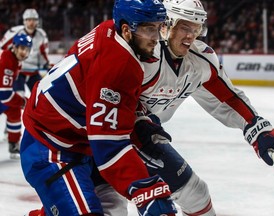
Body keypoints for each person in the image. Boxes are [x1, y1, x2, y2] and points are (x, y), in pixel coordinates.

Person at [89, 0, 274, 215]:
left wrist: (255, 126)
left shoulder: (200, 61)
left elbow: (228, 98)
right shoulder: (141, 55)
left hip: (142, 136)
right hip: (108, 135)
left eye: (196, 28)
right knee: (113, 203)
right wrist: (140, 121)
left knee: (194, 195)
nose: (191, 35)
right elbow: (109, 96)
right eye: (185, 27)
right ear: (166, 25)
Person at [20, 0, 177, 216]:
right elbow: (108, 145)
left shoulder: (108, 29)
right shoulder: (118, 64)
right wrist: (145, 189)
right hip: (50, 148)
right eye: (149, 28)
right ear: (126, 29)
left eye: (159, 27)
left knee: (114, 211)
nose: (156, 37)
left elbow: (102, 100)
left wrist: (138, 118)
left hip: (77, 140)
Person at [0, 8, 51, 97]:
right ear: (24, 21)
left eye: (34, 20)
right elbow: (2, 48)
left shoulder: (41, 35)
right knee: (19, 96)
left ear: (37, 21)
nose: (31, 23)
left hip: (34, 72)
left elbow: (43, 53)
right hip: (18, 72)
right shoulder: (15, 32)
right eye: (29, 20)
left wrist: (46, 64)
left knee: (41, 97)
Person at [0, 33, 32, 159]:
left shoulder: (15, 60)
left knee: (14, 112)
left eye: (26, 49)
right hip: (2, 95)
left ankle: (13, 144)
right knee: (13, 106)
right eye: (22, 48)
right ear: (14, 47)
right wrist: (24, 102)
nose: (24, 52)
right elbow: (5, 95)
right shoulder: (7, 60)